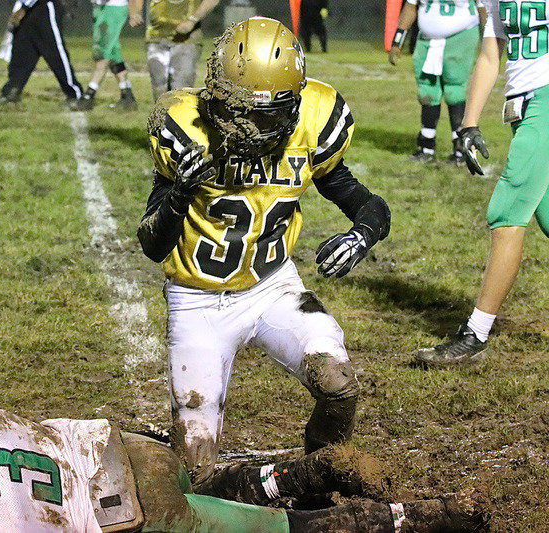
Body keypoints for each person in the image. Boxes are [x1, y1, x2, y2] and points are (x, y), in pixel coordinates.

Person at [137, 17, 391, 489]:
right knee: (195, 474)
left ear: (292, 106)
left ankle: (322, 477)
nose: (240, 126)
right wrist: (178, 195)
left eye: (258, 115)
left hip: (272, 286)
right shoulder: (186, 127)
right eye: (230, 108)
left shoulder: (313, 123)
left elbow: (368, 204)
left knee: (339, 386)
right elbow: (153, 244)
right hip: (197, 300)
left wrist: (361, 234)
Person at [0, 380, 487, 532]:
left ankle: (421, 516)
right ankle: (305, 471)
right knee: (219, 481)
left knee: (275, 532)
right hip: (109, 445)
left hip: (123, 515)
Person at [415, 0, 549, 366]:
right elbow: (491, 55)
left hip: (546, 103)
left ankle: (475, 333)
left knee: (507, 210)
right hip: (524, 106)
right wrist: (468, 123)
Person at [389, 0, 486, 162]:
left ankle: (461, 147)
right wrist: (397, 41)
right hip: (427, 39)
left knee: (454, 91)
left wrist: (490, 39)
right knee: (427, 91)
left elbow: (483, 7)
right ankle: (426, 146)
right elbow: (411, 6)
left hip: (461, 36)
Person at [0, 0, 87, 109]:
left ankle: (75, 94)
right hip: (28, 8)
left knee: (54, 52)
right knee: (22, 52)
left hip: (44, 6)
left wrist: (24, 7)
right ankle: (12, 91)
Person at [130, 0, 219, 100]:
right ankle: (163, 114)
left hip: (186, 39)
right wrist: (134, 12)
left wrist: (192, 20)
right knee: (159, 87)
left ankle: (178, 114)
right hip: (155, 37)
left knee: (181, 88)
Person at [77, 0, 139, 110]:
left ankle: (89, 95)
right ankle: (127, 93)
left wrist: (134, 13)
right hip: (102, 7)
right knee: (114, 54)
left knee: (102, 53)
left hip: (112, 7)